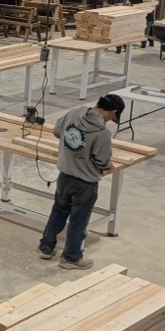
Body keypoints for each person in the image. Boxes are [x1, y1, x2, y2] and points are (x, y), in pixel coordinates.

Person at [37, 93, 125, 270]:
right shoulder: (101, 132)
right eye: (113, 117)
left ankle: (46, 248)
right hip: (85, 182)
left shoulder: (75, 112)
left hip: (64, 175)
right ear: (112, 112)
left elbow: (56, 131)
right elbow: (102, 161)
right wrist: (108, 163)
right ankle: (71, 258)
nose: (110, 121)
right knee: (78, 220)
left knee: (58, 212)